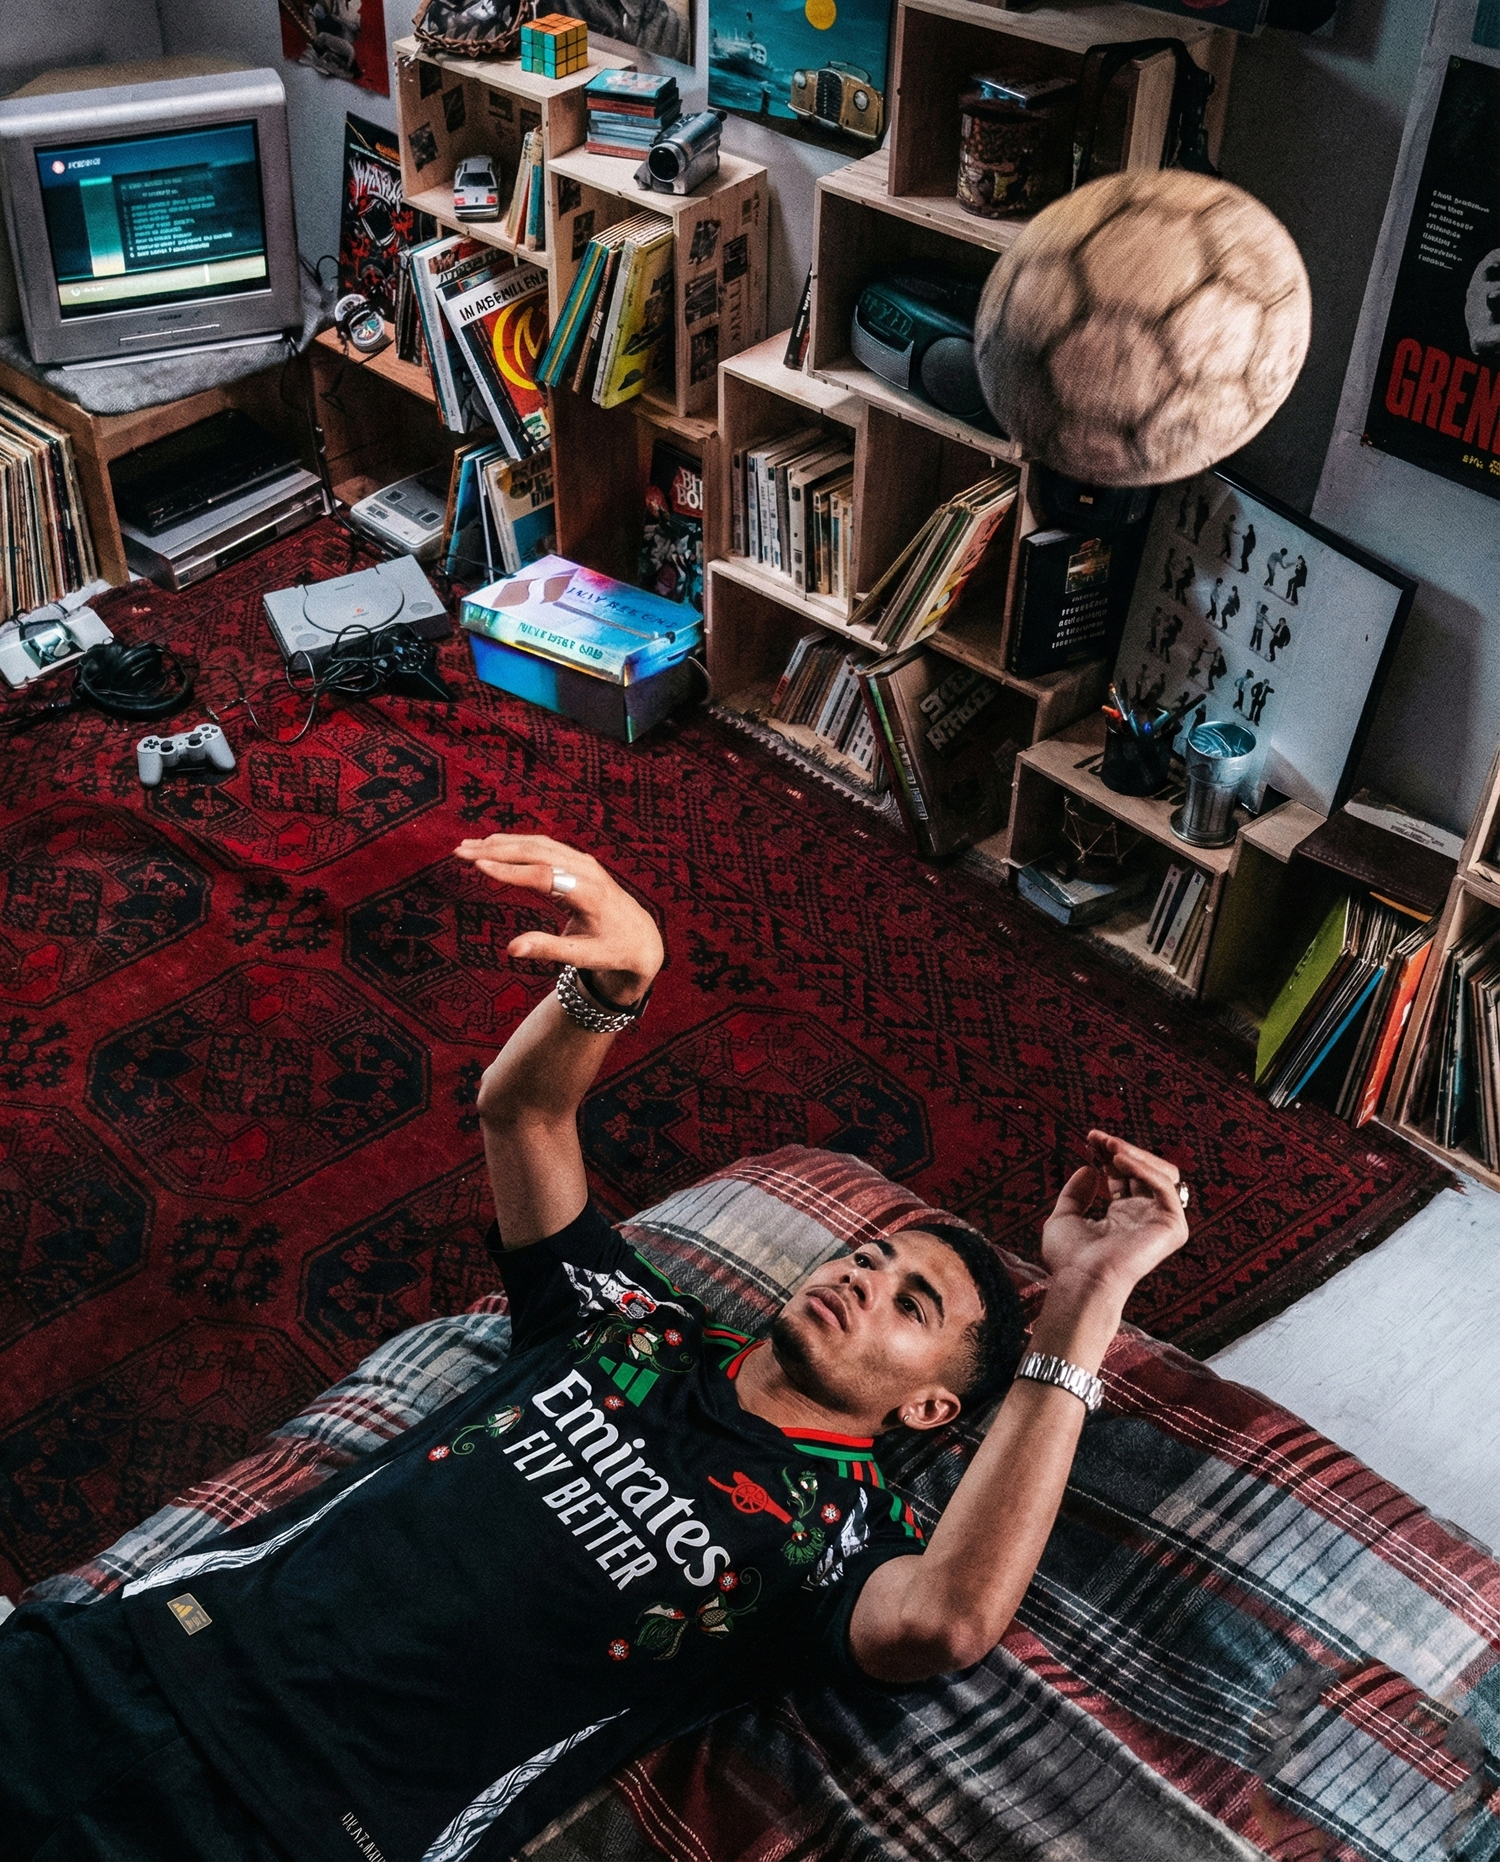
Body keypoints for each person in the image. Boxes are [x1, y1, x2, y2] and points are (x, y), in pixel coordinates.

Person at [0, 836, 1190, 1862]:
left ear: (930, 1408)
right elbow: (523, 1112)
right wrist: (613, 985)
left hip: (305, 1829)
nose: (857, 1277)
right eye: (866, 1257)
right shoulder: (627, 1321)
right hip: (128, 1662)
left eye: (910, 1303)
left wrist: (1087, 1297)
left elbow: (945, 1622)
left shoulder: (840, 1536)